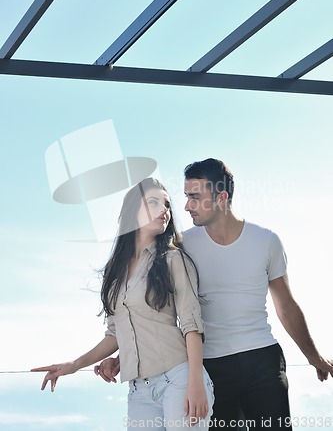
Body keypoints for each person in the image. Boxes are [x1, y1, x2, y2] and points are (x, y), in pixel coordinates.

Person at [97, 159, 333, 430]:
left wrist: (314, 357)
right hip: (210, 366)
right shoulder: (181, 246)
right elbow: (153, 309)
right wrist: (129, 353)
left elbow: (286, 308)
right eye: (186, 197)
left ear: (221, 197)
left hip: (263, 360)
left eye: (195, 198)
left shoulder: (266, 241)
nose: (186, 206)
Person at [31, 177, 214, 430]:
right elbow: (116, 333)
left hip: (179, 379)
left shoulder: (173, 260)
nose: (165, 211)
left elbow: (192, 325)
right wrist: (74, 365)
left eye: (167, 205)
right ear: (132, 212)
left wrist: (196, 384)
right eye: (153, 202)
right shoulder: (114, 272)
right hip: (138, 390)